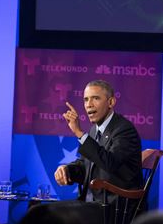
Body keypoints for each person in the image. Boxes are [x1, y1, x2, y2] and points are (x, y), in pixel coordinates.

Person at [54, 80, 143, 208]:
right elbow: (87, 166)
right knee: (38, 209)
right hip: (92, 204)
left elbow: (110, 163)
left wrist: (79, 132)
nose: (89, 104)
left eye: (95, 98)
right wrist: (67, 170)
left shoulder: (124, 130)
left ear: (111, 102)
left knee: (47, 214)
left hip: (113, 207)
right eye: (85, 100)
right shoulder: (94, 130)